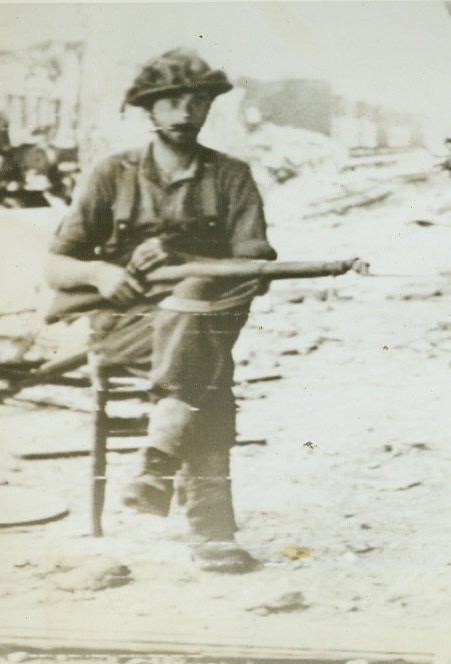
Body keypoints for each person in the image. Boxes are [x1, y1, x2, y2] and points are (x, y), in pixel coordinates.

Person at [46, 48, 276, 574]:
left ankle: (157, 467)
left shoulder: (232, 176)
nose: (184, 112)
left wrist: (190, 262)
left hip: (205, 316)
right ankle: (211, 528)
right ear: (148, 110)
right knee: (208, 368)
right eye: (170, 101)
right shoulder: (111, 174)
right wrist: (101, 274)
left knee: (198, 304)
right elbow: (56, 267)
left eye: (196, 101)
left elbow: (255, 266)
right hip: (128, 327)